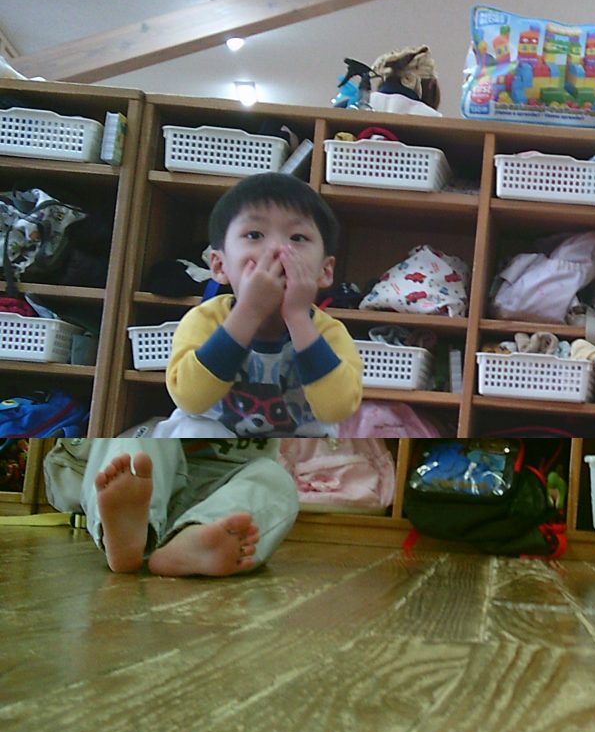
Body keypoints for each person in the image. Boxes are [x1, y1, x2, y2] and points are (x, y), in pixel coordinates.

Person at [164, 173, 362, 436]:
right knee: (193, 430)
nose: (278, 249)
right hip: (219, 439)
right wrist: (249, 311)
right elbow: (190, 399)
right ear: (219, 266)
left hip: (295, 444)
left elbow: (337, 410)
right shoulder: (205, 320)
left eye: (298, 238)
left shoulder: (329, 332)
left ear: (325, 271)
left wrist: (298, 317)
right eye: (254, 234)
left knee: (326, 437)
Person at [42, 438, 299, 577]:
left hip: (224, 485)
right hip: (152, 473)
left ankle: (194, 537)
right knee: (134, 442)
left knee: (275, 478)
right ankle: (125, 534)